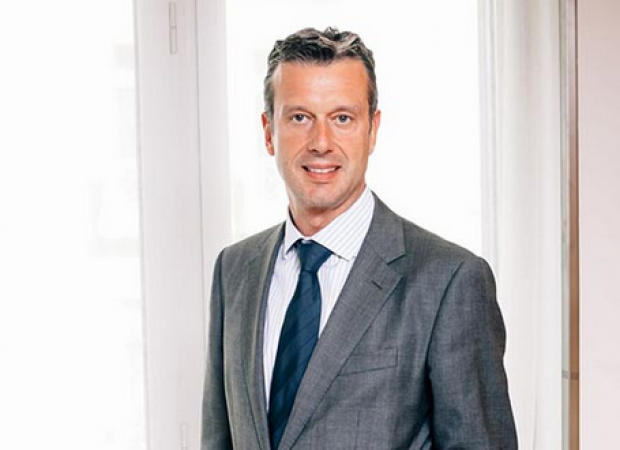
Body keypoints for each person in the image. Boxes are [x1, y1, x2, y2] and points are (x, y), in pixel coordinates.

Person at [202, 27, 517, 450]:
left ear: (373, 130)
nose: (321, 143)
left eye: (342, 118)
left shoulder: (449, 280)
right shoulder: (234, 270)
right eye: (300, 117)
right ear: (268, 131)